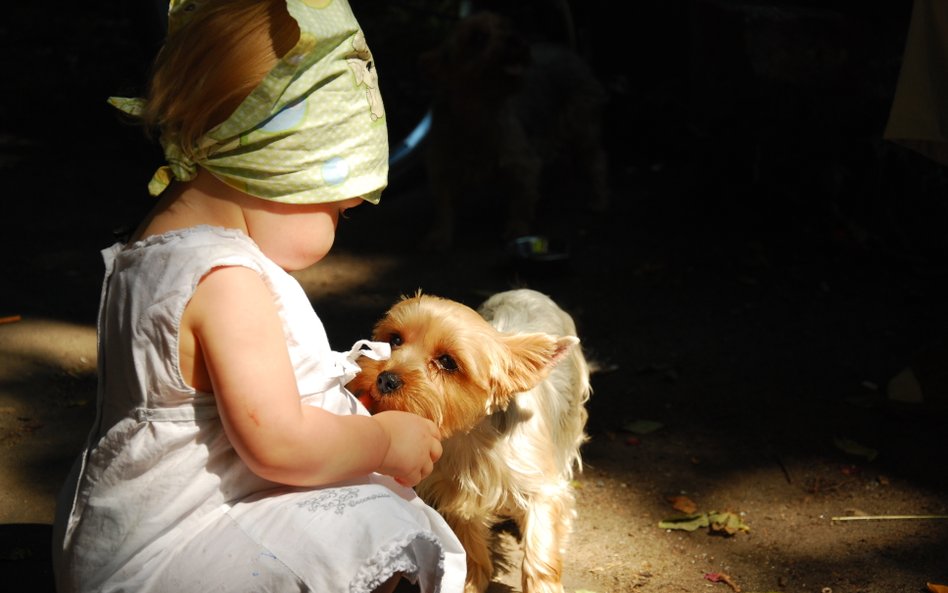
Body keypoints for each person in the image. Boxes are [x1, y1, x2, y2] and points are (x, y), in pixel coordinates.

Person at [51, 1, 466, 592]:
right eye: (341, 210)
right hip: (177, 551)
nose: (339, 226)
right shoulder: (226, 281)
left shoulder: (152, 250)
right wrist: (383, 441)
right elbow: (280, 442)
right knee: (372, 520)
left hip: (120, 532)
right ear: (280, 170)